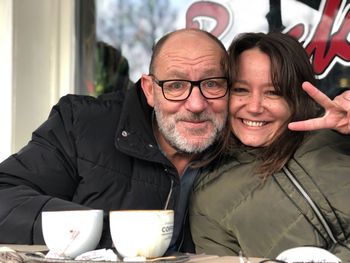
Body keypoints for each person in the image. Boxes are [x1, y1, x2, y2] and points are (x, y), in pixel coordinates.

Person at [0, 28, 230, 253]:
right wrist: (103, 233)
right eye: (176, 85)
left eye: (212, 84)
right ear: (149, 90)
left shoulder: (242, 146)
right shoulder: (82, 125)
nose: (197, 104)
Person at [189, 32, 350, 261]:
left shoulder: (337, 135)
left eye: (273, 92)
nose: (254, 107)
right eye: (241, 90)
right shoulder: (208, 194)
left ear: (296, 97)